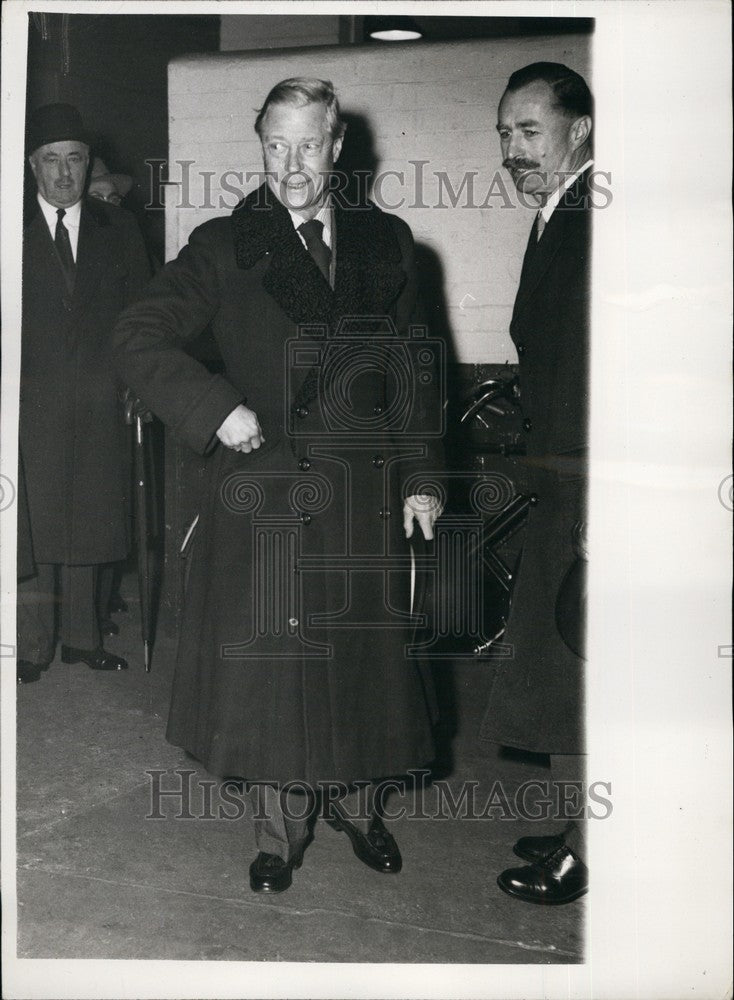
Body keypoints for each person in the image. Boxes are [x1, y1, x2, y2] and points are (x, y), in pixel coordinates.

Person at [112, 78, 444, 894]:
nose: (291, 167)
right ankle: (277, 831)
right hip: (268, 489)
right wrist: (215, 407)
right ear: (259, 146)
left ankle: (361, 808)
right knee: (276, 675)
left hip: (365, 494)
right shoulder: (228, 244)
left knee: (365, 665)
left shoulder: (391, 244)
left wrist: (424, 478)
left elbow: (420, 372)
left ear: (338, 147)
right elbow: (135, 334)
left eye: (307, 146)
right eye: (274, 146)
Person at [478, 63, 593, 904]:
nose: (514, 150)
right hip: (565, 483)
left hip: (591, 488)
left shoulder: (596, 223)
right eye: (505, 134)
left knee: (582, 668)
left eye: (530, 132)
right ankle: (577, 828)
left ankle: (589, 854)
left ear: (578, 131)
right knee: (563, 666)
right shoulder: (562, 216)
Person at [17, 103, 151, 678]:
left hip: (102, 397)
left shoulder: (119, 228)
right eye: (51, 160)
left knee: (91, 517)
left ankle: (81, 637)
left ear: (88, 161)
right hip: (29, 401)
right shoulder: (7, 227)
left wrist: (140, 386)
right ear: (32, 166)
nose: (64, 173)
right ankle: (30, 645)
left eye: (74, 158)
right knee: (35, 523)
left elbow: (144, 318)